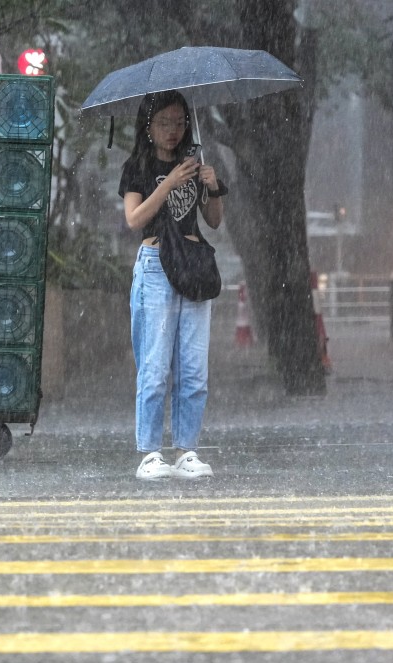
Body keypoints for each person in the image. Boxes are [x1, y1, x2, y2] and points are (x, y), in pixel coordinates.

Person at [118, 90, 228, 481]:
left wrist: (211, 186)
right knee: (155, 365)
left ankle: (186, 450)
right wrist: (168, 184)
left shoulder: (194, 164)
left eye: (179, 122)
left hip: (193, 267)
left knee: (194, 368)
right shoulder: (138, 166)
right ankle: (149, 453)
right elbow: (134, 220)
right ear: (148, 125)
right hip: (155, 266)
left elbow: (213, 220)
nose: (172, 130)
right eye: (164, 122)